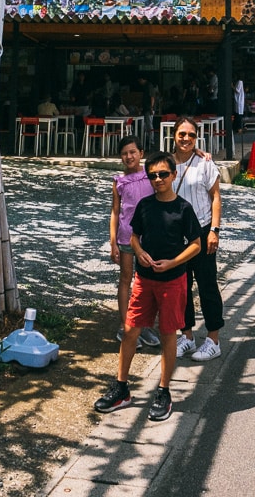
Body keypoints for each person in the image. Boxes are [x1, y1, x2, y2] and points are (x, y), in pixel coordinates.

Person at [94, 151, 201, 422]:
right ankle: (122, 387)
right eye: (152, 175)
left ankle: (164, 391)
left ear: (174, 176)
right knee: (130, 330)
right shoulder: (145, 205)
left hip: (172, 281)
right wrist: (139, 251)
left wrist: (173, 262)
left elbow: (196, 245)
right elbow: (134, 236)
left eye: (163, 174)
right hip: (144, 280)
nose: (158, 179)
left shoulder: (183, 209)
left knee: (167, 333)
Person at [172, 115, 224, 362]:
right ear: (173, 135)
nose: (186, 139)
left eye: (191, 135)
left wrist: (214, 230)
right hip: (175, 236)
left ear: (197, 138)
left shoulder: (204, 164)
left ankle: (213, 339)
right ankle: (188, 336)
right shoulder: (167, 164)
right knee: (181, 288)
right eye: (182, 134)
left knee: (207, 285)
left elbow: (215, 197)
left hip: (202, 233)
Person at [108, 135, 161, 349]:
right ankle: (125, 326)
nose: (129, 156)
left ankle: (145, 325)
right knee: (125, 278)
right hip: (126, 237)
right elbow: (115, 211)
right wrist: (113, 242)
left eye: (133, 152)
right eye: (124, 153)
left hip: (150, 237)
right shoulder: (119, 181)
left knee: (148, 282)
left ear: (141, 153)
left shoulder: (151, 175)